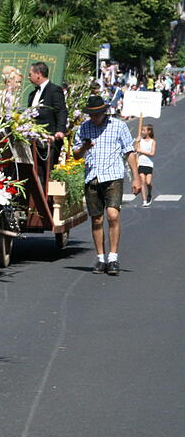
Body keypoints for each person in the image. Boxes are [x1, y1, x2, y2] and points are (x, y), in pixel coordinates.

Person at [72, 96, 141, 276]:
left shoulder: (118, 126)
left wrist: (136, 178)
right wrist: (84, 147)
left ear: (104, 112)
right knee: (97, 219)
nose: (94, 117)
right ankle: (101, 258)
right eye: (92, 114)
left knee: (112, 215)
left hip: (113, 176)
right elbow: (76, 155)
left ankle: (113, 257)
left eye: (97, 114)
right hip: (92, 177)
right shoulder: (84, 128)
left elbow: (129, 152)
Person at [28, 61, 67, 165]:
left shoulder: (54, 90)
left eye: (30, 74)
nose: (29, 77)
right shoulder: (32, 94)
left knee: (47, 170)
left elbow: (61, 110)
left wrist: (60, 130)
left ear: (38, 74)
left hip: (49, 139)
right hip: (34, 141)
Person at [135, 123, 156, 207]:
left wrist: (141, 151)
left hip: (149, 164)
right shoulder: (140, 140)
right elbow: (136, 150)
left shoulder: (152, 141)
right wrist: (137, 142)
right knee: (142, 181)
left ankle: (149, 193)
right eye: (142, 130)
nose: (142, 132)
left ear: (149, 131)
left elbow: (152, 153)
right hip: (141, 163)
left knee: (148, 182)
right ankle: (144, 200)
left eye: (144, 130)